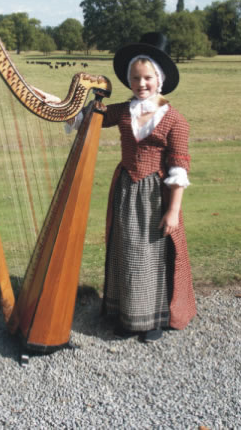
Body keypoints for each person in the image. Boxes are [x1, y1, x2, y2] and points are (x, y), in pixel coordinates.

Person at [67, 32, 196, 342]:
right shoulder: (124, 111)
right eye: (136, 78)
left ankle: (153, 318)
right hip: (126, 188)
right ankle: (126, 313)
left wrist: (173, 212)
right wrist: (60, 105)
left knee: (151, 253)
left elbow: (179, 168)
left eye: (147, 78)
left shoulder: (175, 120)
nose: (141, 84)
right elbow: (88, 117)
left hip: (155, 194)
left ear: (160, 79)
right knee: (126, 251)